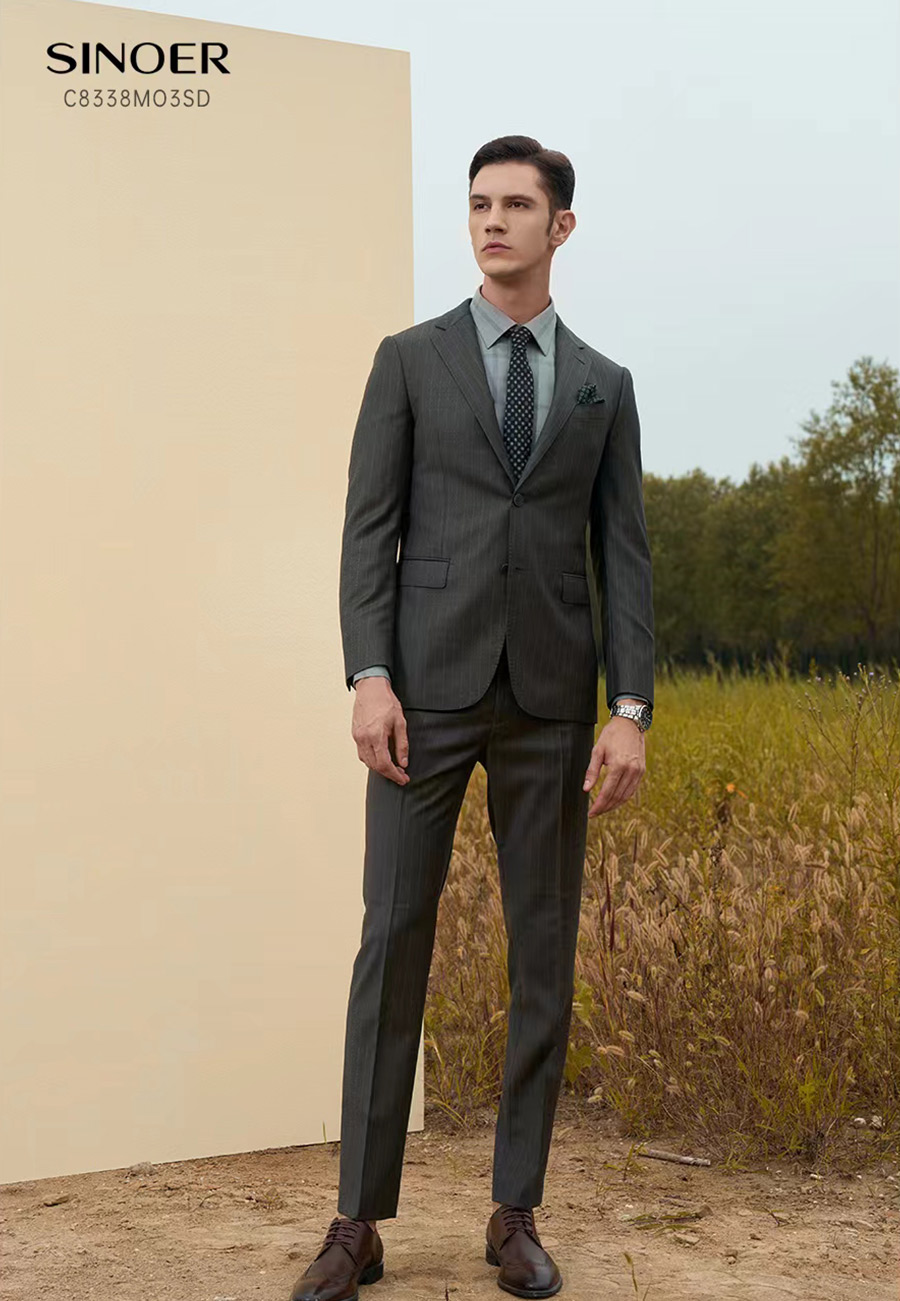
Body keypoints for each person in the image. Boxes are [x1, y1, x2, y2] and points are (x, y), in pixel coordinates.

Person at [290, 134, 654, 1301]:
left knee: (542, 951)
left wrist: (631, 706)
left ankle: (515, 1213)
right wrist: (368, 674)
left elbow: (624, 554)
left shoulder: (603, 383)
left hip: (552, 702)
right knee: (391, 939)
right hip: (424, 696)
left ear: (561, 226)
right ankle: (357, 1221)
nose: (493, 221)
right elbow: (370, 529)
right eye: (480, 203)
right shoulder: (409, 360)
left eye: (517, 205)